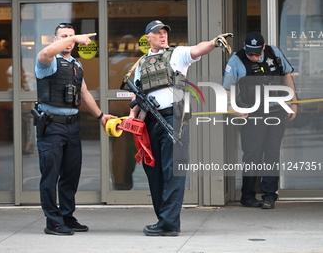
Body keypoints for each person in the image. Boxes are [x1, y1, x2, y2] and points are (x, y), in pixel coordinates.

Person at [128, 20, 232, 236]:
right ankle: (163, 219)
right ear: (148, 37)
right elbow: (137, 94)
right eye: (157, 32)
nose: (163, 35)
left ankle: (169, 224)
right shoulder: (141, 63)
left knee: (174, 172)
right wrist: (132, 117)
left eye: (165, 31)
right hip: (149, 122)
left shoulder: (177, 54)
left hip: (174, 119)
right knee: (154, 172)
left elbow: (197, 49)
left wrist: (213, 42)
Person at [34, 23, 116, 235]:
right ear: (55, 39)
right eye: (64, 36)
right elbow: (45, 52)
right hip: (52, 127)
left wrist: (100, 116)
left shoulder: (76, 65)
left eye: (71, 36)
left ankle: (67, 217)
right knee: (50, 176)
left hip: (72, 127)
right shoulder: (47, 61)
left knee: (71, 175)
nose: (69, 40)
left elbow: (85, 93)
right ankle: (53, 221)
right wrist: (75, 38)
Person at [223, 32, 298, 209]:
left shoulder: (275, 54)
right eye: (250, 54)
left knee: (272, 152)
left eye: (257, 53)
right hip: (252, 111)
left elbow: (287, 75)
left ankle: (269, 196)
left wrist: (294, 103)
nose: (254, 57)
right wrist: (233, 110)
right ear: (244, 47)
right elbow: (227, 90)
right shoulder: (236, 61)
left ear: (263, 47)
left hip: (276, 109)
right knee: (252, 154)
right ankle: (247, 196)